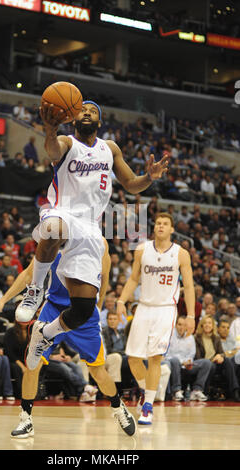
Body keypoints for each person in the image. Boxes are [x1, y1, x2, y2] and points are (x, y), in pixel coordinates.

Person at [15, 100, 168, 372]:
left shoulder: (109, 149)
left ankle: (45, 334)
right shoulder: (66, 142)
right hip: (62, 212)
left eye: (93, 111)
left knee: (84, 309)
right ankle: (35, 289)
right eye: (82, 110)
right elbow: (52, 150)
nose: (87, 113)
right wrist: (50, 131)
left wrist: (149, 177)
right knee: (53, 229)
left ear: (99, 122)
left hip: (90, 228)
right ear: (74, 119)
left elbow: (132, 185)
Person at [0, 239, 137, 438]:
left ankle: (118, 408)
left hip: (83, 313)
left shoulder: (98, 241)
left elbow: (104, 276)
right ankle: (26, 418)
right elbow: (27, 273)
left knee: (97, 370)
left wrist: (98, 305)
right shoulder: (55, 237)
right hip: (53, 309)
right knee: (32, 365)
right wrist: (2, 301)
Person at [117, 212, 196, 425]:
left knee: (154, 357)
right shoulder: (142, 250)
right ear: (154, 228)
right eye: (158, 223)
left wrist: (190, 315)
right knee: (133, 358)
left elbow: (188, 286)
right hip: (143, 307)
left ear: (172, 229)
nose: (161, 226)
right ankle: (146, 390)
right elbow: (134, 279)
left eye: (165, 224)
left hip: (165, 309)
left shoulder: (181, 254)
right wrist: (121, 301)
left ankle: (148, 405)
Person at [165, 316, 211, 401]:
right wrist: (182, 362)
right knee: (175, 361)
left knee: (206, 362)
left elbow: (192, 354)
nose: (182, 327)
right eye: (179, 324)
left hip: (187, 366)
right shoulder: (169, 336)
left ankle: (197, 390)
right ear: (175, 325)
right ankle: (177, 391)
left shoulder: (190, 337)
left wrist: (188, 362)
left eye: (184, 325)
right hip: (174, 365)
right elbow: (167, 355)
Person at [195, 315, 240, 401]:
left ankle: (235, 390)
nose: (207, 325)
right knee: (210, 364)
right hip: (205, 364)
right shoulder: (197, 338)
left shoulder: (216, 338)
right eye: (205, 323)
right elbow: (198, 357)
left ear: (212, 326)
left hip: (216, 364)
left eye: (209, 323)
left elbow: (222, 353)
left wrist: (220, 356)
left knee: (227, 360)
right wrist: (212, 360)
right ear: (202, 325)